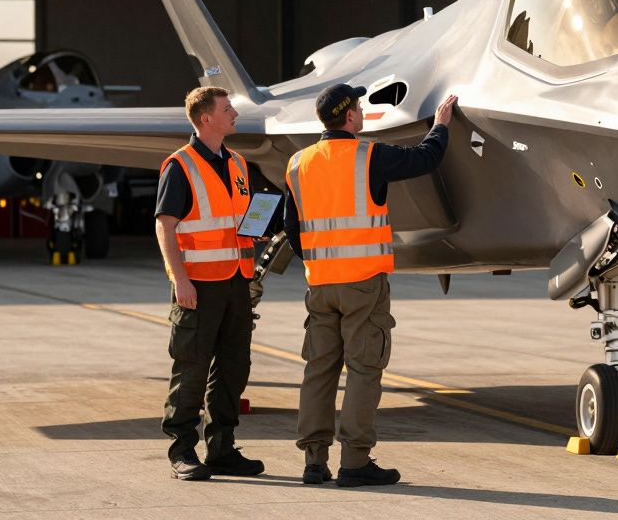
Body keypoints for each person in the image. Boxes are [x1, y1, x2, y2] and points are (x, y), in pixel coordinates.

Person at [284, 83, 456, 487]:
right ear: (349, 117)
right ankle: (355, 462)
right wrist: (442, 124)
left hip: (321, 284)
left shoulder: (298, 163)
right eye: (359, 107)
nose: (362, 112)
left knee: (319, 370)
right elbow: (426, 159)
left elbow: (292, 228)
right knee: (363, 370)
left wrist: (318, 261)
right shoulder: (369, 155)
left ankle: (314, 461)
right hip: (363, 283)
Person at [154, 86, 265, 481]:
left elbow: (233, 220)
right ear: (206, 119)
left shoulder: (237, 162)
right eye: (227, 108)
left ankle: (222, 448)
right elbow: (165, 226)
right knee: (191, 368)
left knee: (234, 367)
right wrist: (179, 279)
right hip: (198, 284)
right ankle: (182, 450)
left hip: (236, 280)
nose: (234, 112)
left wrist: (256, 230)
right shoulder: (179, 166)